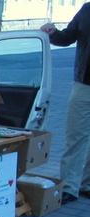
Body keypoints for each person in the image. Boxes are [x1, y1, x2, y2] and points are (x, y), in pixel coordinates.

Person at [41, 5, 90, 204]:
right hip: (84, 85)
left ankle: (87, 184)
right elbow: (68, 36)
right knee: (76, 136)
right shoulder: (87, 10)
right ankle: (69, 186)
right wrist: (54, 34)